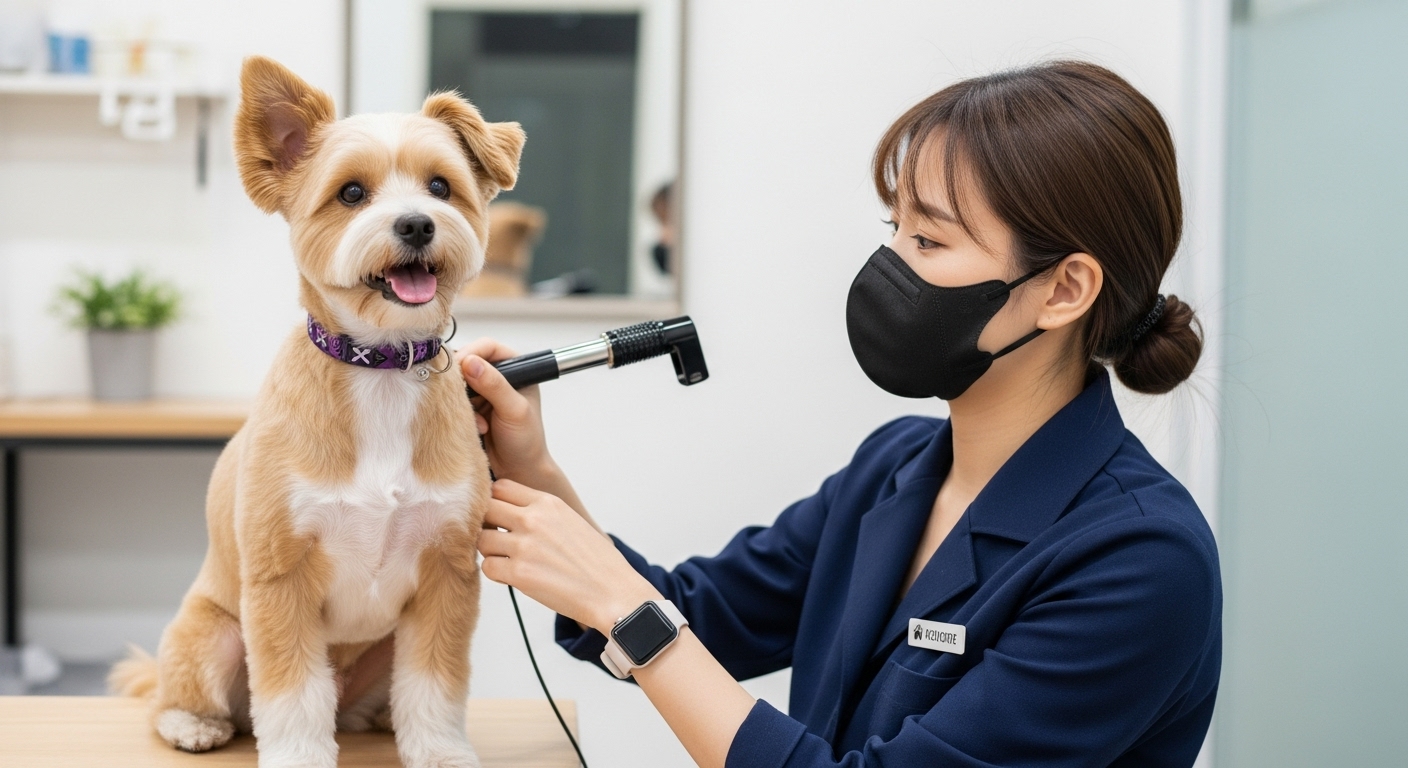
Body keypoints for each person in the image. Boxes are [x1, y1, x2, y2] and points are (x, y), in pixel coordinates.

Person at [359, 60, 1222, 767]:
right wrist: (531, 468)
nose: (889, 266)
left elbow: (646, 620)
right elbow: (698, 614)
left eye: (930, 241)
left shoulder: (1139, 563)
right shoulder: (899, 469)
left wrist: (624, 605)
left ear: (1064, 290)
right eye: (894, 228)